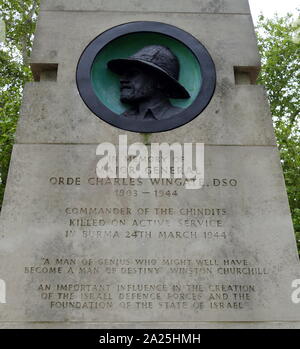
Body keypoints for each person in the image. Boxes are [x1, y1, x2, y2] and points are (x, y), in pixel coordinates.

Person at [107, 45, 190, 120]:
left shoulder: (182, 118)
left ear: (161, 82)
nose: (122, 79)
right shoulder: (123, 119)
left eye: (133, 74)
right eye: (122, 74)